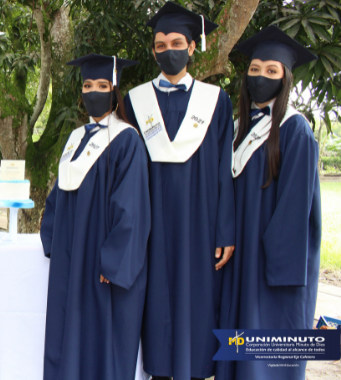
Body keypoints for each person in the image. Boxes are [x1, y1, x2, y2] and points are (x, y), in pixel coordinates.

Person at [122, 2, 235, 379]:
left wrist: (224, 230)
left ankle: (194, 369)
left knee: (195, 298)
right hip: (151, 222)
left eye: (175, 42)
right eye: (159, 44)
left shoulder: (215, 101)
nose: (167, 50)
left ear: (191, 46)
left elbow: (224, 171)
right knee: (154, 301)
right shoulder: (135, 102)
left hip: (198, 222)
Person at [216, 25, 321, 380]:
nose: (261, 77)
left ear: (285, 78)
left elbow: (295, 210)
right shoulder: (238, 128)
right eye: (255, 69)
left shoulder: (295, 130)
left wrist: (267, 259)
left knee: (266, 355)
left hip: (271, 264)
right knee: (238, 347)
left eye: (271, 71)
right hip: (240, 255)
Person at [41, 53, 151, 380]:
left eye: (102, 85)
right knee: (68, 329)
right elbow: (59, 193)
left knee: (99, 338)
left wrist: (114, 260)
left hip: (101, 261)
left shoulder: (126, 139)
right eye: (88, 85)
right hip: (73, 255)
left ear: (114, 90)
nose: (93, 92)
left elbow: (132, 206)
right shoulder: (76, 138)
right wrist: (53, 240)